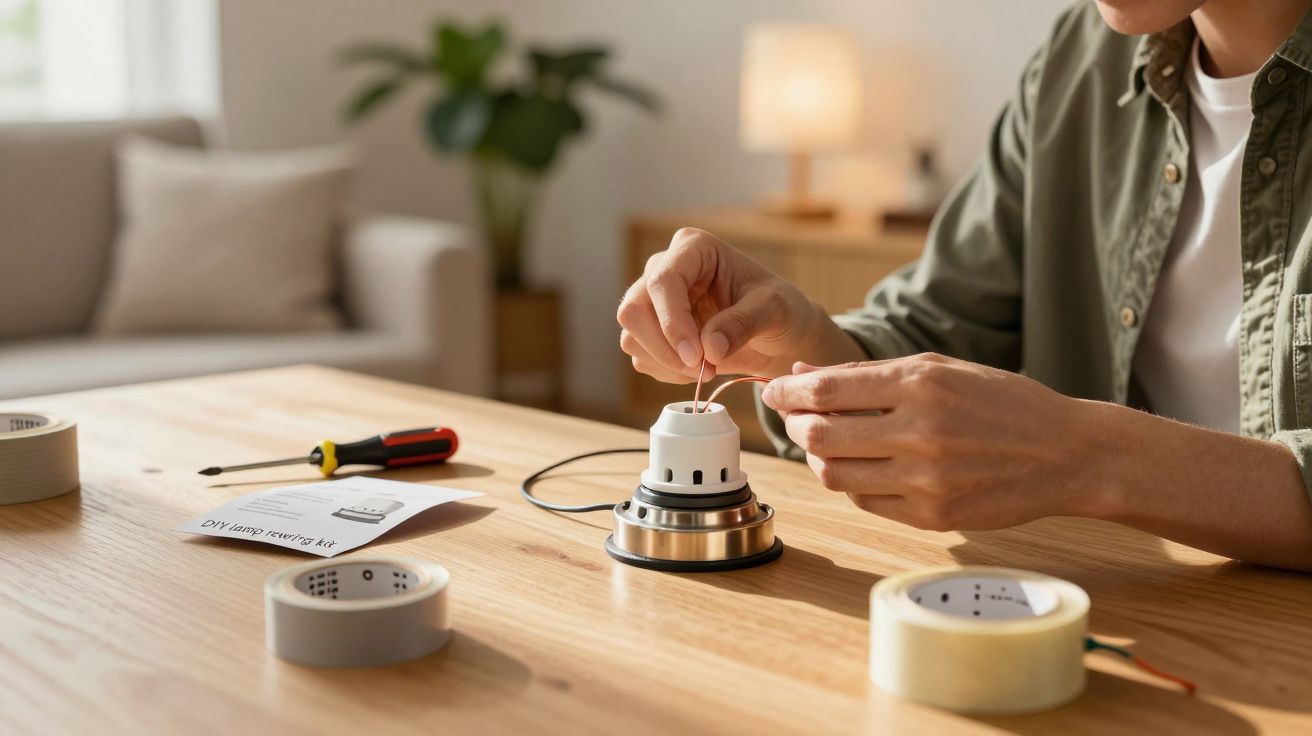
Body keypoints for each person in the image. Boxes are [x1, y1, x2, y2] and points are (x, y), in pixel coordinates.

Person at [617, 0, 1312, 572]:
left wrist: (1085, 455)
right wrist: (799, 345)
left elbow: (1063, 447)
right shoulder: (1080, 61)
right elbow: (944, 317)